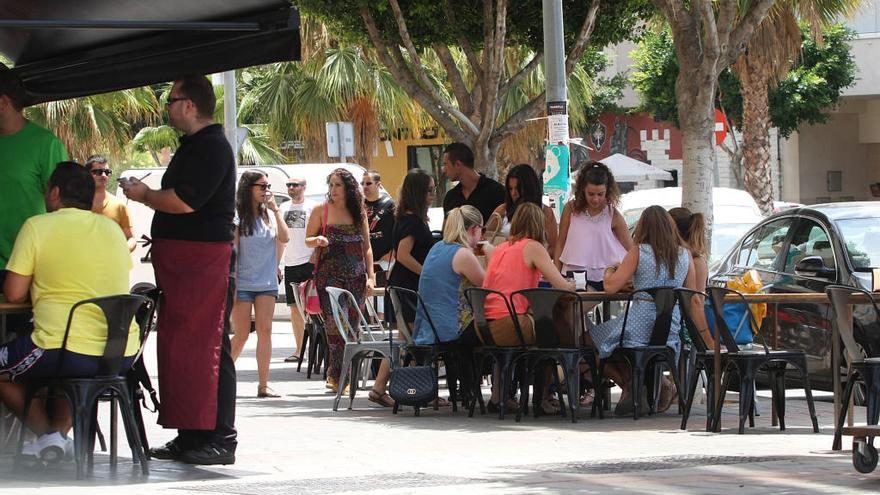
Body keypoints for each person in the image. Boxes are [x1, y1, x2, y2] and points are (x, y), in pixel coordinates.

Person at [120, 74, 237, 465]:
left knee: (208, 345)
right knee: (183, 347)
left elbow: (187, 202)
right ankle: (191, 435)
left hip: (203, 259)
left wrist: (145, 195)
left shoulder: (212, 146)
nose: (166, 107)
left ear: (189, 104)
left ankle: (219, 437)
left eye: (170, 100)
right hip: (185, 260)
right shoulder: (196, 146)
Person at [0, 162, 135, 462]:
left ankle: (50, 436)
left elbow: (13, 293)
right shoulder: (113, 231)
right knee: (67, 371)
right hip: (118, 353)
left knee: (34, 361)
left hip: (63, 349)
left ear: (55, 193)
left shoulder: (37, 226)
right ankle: (58, 438)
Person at [588, 205, 696, 416]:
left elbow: (610, 287)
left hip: (638, 326)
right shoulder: (685, 255)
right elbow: (689, 294)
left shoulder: (638, 252)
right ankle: (637, 385)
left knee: (588, 339)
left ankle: (630, 384)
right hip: (669, 329)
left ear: (642, 227)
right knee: (611, 340)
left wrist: (611, 269)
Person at [482, 203, 575, 413]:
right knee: (550, 333)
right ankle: (543, 398)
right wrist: (574, 285)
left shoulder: (501, 248)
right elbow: (561, 285)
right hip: (511, 325)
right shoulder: (533, 246)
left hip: (486, 326)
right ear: (538, 224)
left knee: (545, 328)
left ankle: (499, 398)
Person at [305, 168, 375, 393]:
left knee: (353, 327)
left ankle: (345, 375)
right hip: (329, 275)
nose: (333, 190)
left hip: (356, 276)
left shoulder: (359, 213)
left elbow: (367, 248)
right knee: (336, 326)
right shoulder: (320, 211)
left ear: (348, 188)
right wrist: (317, 239)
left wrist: (371, 277)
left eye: (338, 185)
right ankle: (336, 376)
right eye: (331, 185)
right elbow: (307, 240)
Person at [0, 69, 68, 290]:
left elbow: (63, 210)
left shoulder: (46, 144)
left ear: (2, 103)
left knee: (19, 326)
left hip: (27, 267)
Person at [229, 171, 289, 398]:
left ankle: (264, 385)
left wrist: (276, 209)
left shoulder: (270, 215)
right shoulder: (238, 216)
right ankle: (221, 379)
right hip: (243, 281)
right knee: (242, 334)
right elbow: (233, 250)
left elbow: (284, 238)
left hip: (266, 282)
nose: (266, 190)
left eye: (268, 186)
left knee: (266, 330)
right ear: (248, 188)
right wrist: (232, 283)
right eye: (262, 186)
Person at [555, 161, 632, 290]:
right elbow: (560, 243)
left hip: (605, 278)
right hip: (573, 275)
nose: (595, 199)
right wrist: (556, 277)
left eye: (600, 194)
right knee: (572, 309)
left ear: (607, 191)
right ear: (582, 190)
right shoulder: (570, 209)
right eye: (591, 194)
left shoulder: (613, 214)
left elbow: (632, 248)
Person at [385, 168, 435, 324]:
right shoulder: (413, 221)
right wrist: (426, 274)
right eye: (429, 190)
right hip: (408, 286)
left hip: (404, 283)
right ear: (418, 193)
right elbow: (403, 255)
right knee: (414, 336)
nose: (433, 194)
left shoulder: (405, 218)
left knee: (407, 337)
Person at [279, 177, 316, 363]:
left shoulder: (313, 207)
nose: (291, 188)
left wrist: (315, 258)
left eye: (295, 185)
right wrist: (277, 264)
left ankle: (319, 349)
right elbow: (280, 238)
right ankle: (299, 349)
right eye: (289, 185)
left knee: (314, 309)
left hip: (309, 262)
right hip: (290, 263)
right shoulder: (283, 208)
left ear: (304, 187)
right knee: (294, 308)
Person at [485, 163, 558, 253]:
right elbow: (487, 238)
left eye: (518, 188)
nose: (514, 193)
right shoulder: (502, 211)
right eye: (510, 189)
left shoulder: (546, 212)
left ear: (529, 188)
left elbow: (554, 247)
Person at [669, 207, 713, 350]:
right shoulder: (679, 259)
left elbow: (696, 301)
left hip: (686, 328)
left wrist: (707, 339)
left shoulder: (696, 262)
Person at [441, 142, 505, 224]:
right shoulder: (450, 197)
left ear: (458, 165)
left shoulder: (497, 191)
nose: (444, 169)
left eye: (446, 164)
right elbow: (446, 233)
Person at [85, 155, 136, 252]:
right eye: (98, 172)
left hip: (112, 265)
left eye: (107, 172)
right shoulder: (76, 204)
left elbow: (131, 238)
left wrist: (121, 250)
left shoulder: (119, 205)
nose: (103, 176)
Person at [362, 170, 396, 274]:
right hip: (363, 261)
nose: (364, 186)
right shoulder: (359, 205)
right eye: (362, 183)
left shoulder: (390, 204)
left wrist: (393, 253)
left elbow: (399, 230)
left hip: (385, 261)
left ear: (378, 184)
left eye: (368, 183)